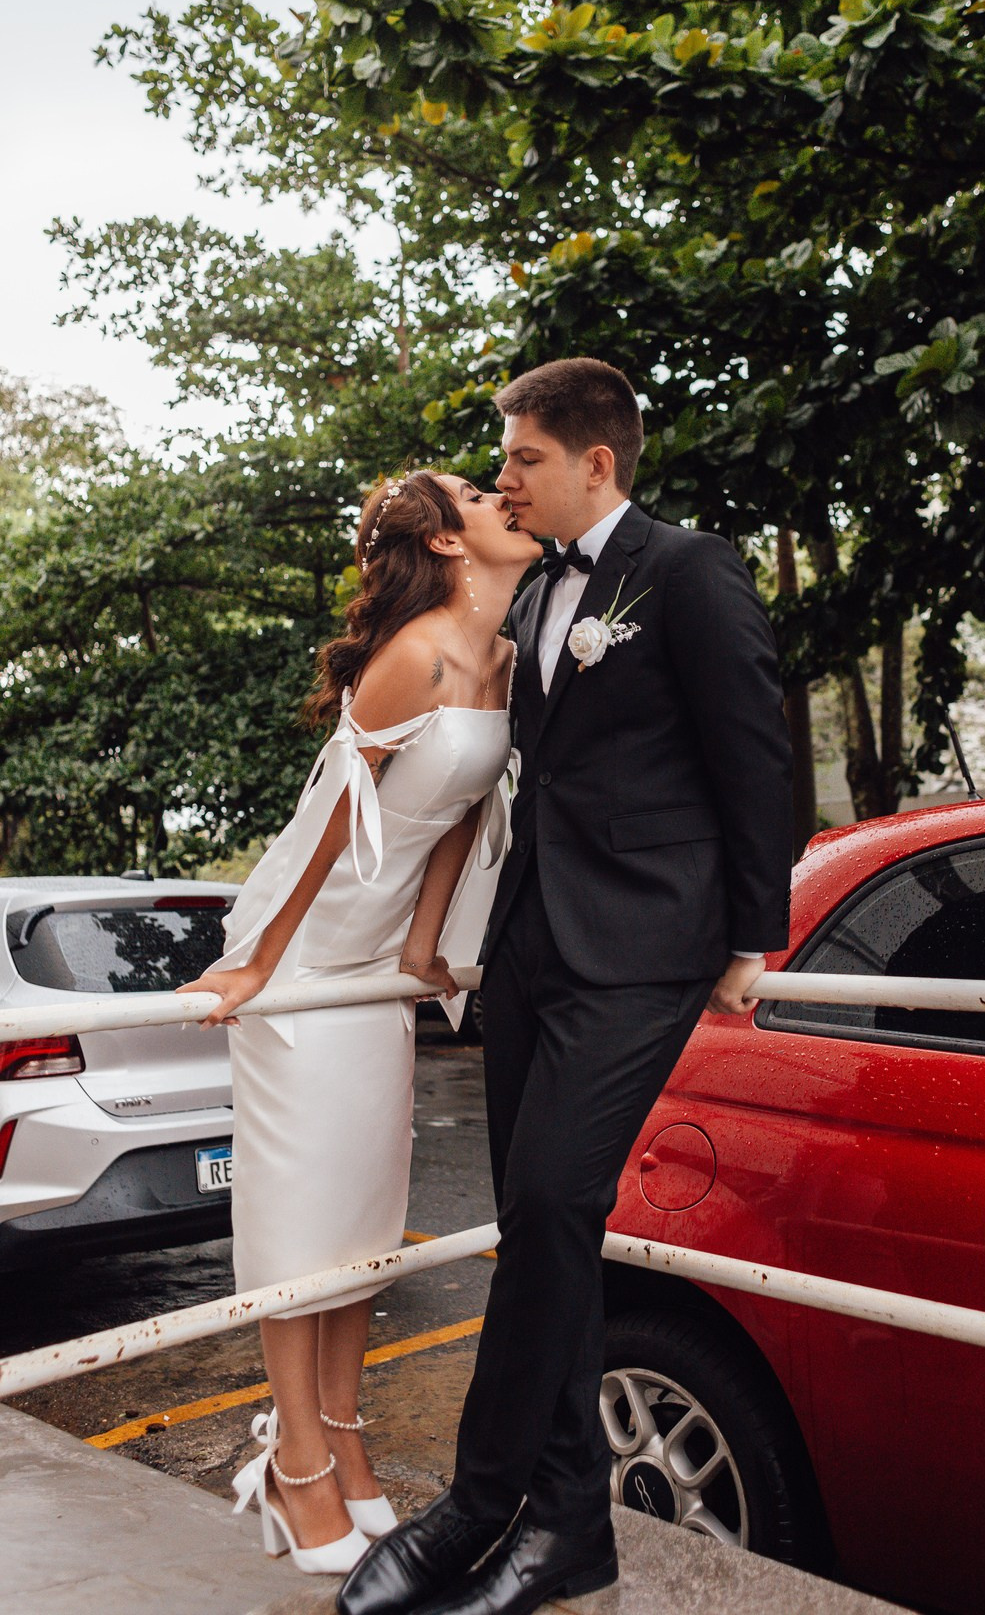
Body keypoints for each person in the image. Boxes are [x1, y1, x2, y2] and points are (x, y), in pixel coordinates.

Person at [339, 359, 793, 1615]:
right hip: (533, 945)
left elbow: (757, 750)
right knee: (546, 1239)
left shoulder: (690, 570)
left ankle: (477, 1508)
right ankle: (567, 1525)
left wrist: (756, 933)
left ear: (597, 461)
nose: (506, 477)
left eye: (524, 457)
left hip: (648, 944)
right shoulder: (537, 584)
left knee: (547, 1207)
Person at [178, 470, 543, 1577]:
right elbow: (334, 819)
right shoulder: (416, 653)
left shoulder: (503, 657)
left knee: (361, 1226)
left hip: (373, 966)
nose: (504, 495)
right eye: (481, 492)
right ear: (443, 540)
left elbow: (456, 819)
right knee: (300, 1225)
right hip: (301, 963)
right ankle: (295, 1468)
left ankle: (342, 1436)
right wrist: (259, 967)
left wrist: (425, 952)